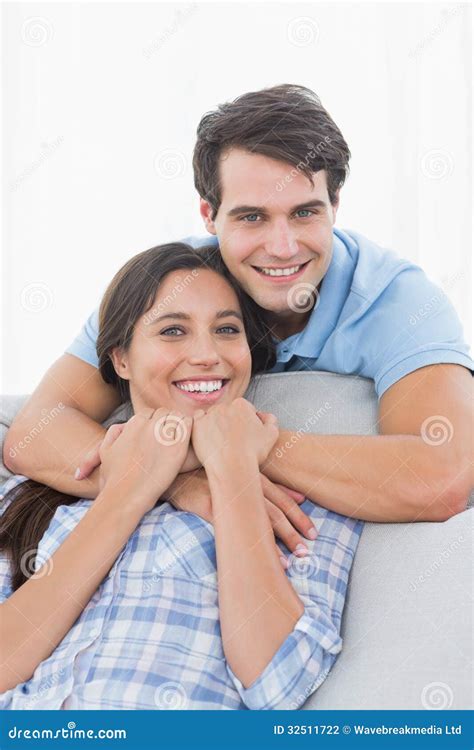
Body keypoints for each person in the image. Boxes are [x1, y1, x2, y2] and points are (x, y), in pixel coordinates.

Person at [4, 84, 473, 526]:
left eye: (305, 212)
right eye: (252, 217)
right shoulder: (168, 288)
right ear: (209, 215)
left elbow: (443, 476)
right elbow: (33, 433)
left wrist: (246, 446)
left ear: (335, 205)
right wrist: (180, 480)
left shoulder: (399, 302)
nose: (283, 247)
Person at [0, 243, 362, 709]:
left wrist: (233, 471)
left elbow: (278, 684)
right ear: (121, 359)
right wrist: (130, 488)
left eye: (226, 330)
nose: (207, 355)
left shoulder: (293, 508)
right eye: (173, 330)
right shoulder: (34, 497)